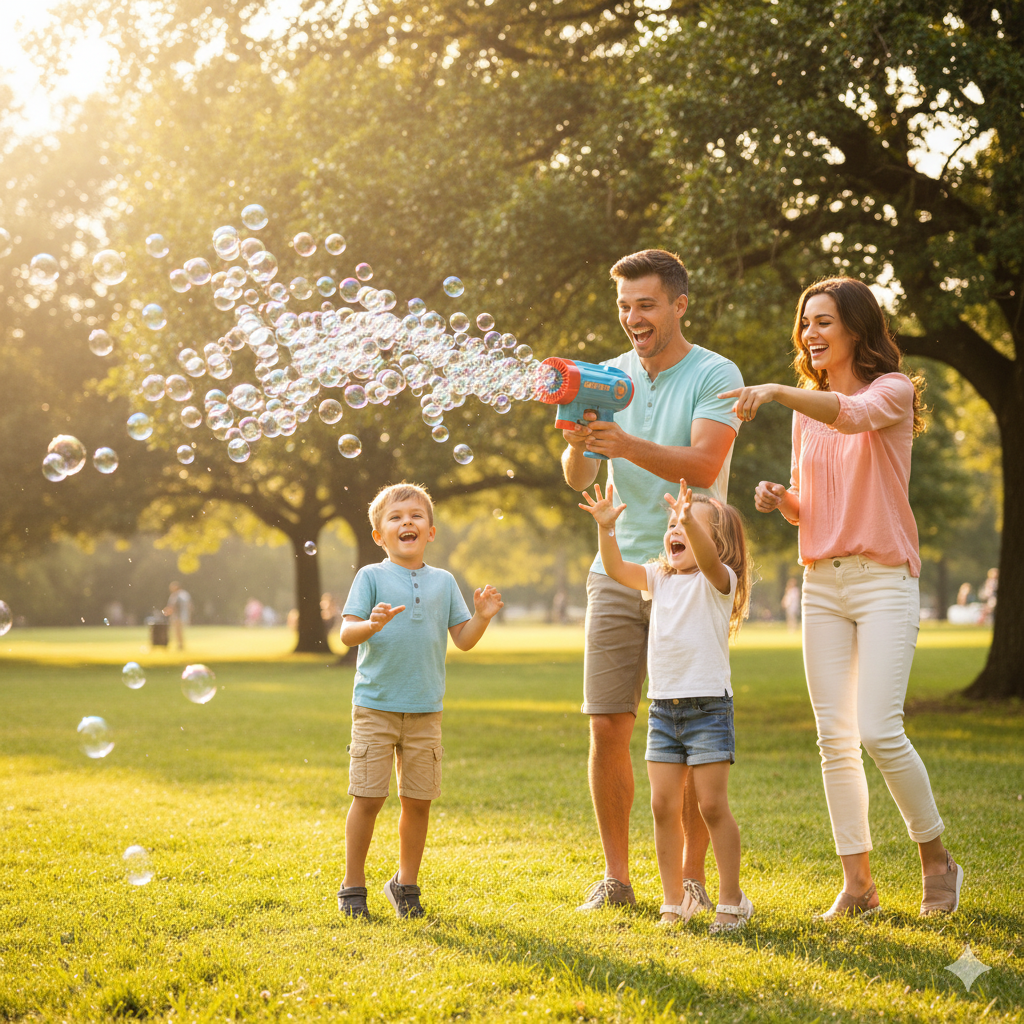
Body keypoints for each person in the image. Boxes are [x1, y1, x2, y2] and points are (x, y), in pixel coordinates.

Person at [719, 276, 963, 918]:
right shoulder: (808, 410)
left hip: (884, 581)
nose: (811, 334)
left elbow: (852, 417)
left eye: (824, 321)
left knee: (880, 729)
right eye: (805, 323)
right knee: (835, 738)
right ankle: (858, 886)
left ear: (857, 328)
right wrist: (783, 500)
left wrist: (773, 390)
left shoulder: (893, 392)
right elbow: (810, 505)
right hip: (822, 583)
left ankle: (936, 860)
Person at [560, 248, 743, 912]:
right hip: (617, 567)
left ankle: (690, 879)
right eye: (624, 306)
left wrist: (624, 444)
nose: (633, 317)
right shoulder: (605, 376)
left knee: (688, 723)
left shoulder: (716, 373)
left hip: (688, 574)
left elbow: (703, 458)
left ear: (678, 304)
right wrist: (580, 440)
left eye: (645, 304)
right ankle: (617, 879)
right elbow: (577, 478)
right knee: (607, 723)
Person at [580, 478, 753, 934]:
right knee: (662, 807)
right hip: (664, 713)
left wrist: (691, 521)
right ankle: (672, 902)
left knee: (713, 806)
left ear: (718, 543)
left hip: (708, 710)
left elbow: (708, 556)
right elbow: (616, 568)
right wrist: (605, 529)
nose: (676, 528)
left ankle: (732, 902)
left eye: (689, 524)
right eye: (672, 523)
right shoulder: (658, 577)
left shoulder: (720, 581)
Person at [336, 483, 503, 920]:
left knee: (418, 800)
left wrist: (482, 618)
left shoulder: (444, 582)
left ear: (430, 531)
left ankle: (405, 884)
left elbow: (463, 640)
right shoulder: (370, 577)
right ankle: (353, 885)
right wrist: (369, 625)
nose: (406, 521)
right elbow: (346, 633)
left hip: (426, 709)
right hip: (375, 705)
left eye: (415, 516)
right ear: (379, 535)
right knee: (368, 797)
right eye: (395, 517)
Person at [163, 582, 192, 650]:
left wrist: (166, 612)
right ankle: (180, 645)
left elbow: (173, 606)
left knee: (177, 632)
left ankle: (180, 646)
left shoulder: (176, 595)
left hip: (177, 617)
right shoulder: (185, 594)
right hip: (183, 616)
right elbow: (190, 606)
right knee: (179, 632)